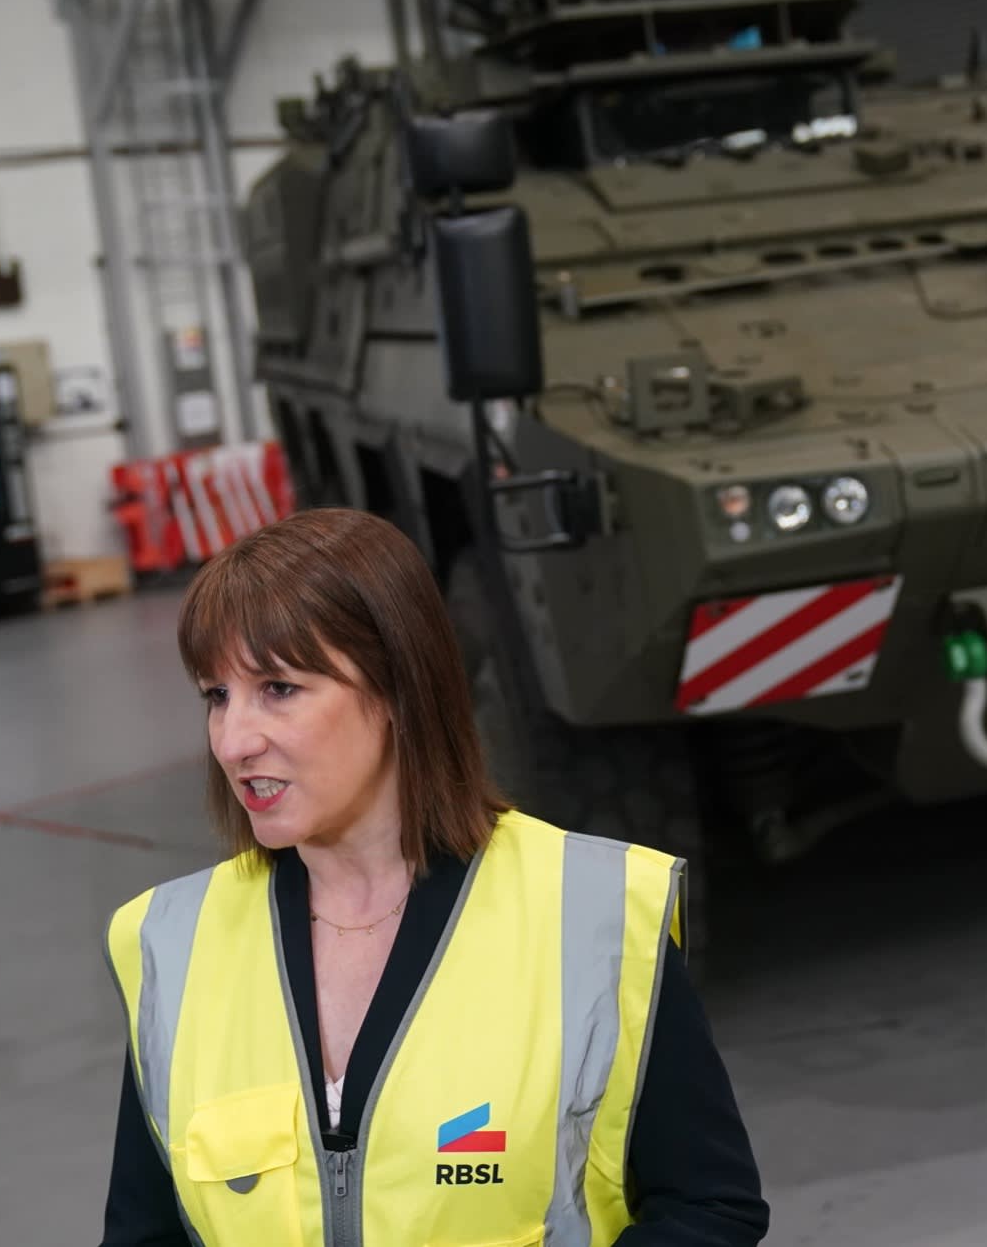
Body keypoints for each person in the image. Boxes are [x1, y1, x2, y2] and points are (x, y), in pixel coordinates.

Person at [99, 507, 769, 1246]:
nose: (233, 741)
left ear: (395, 689)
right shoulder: (173, 945)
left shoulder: (591, 913)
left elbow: (709, 1209)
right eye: (216, 696)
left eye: (278, 689)